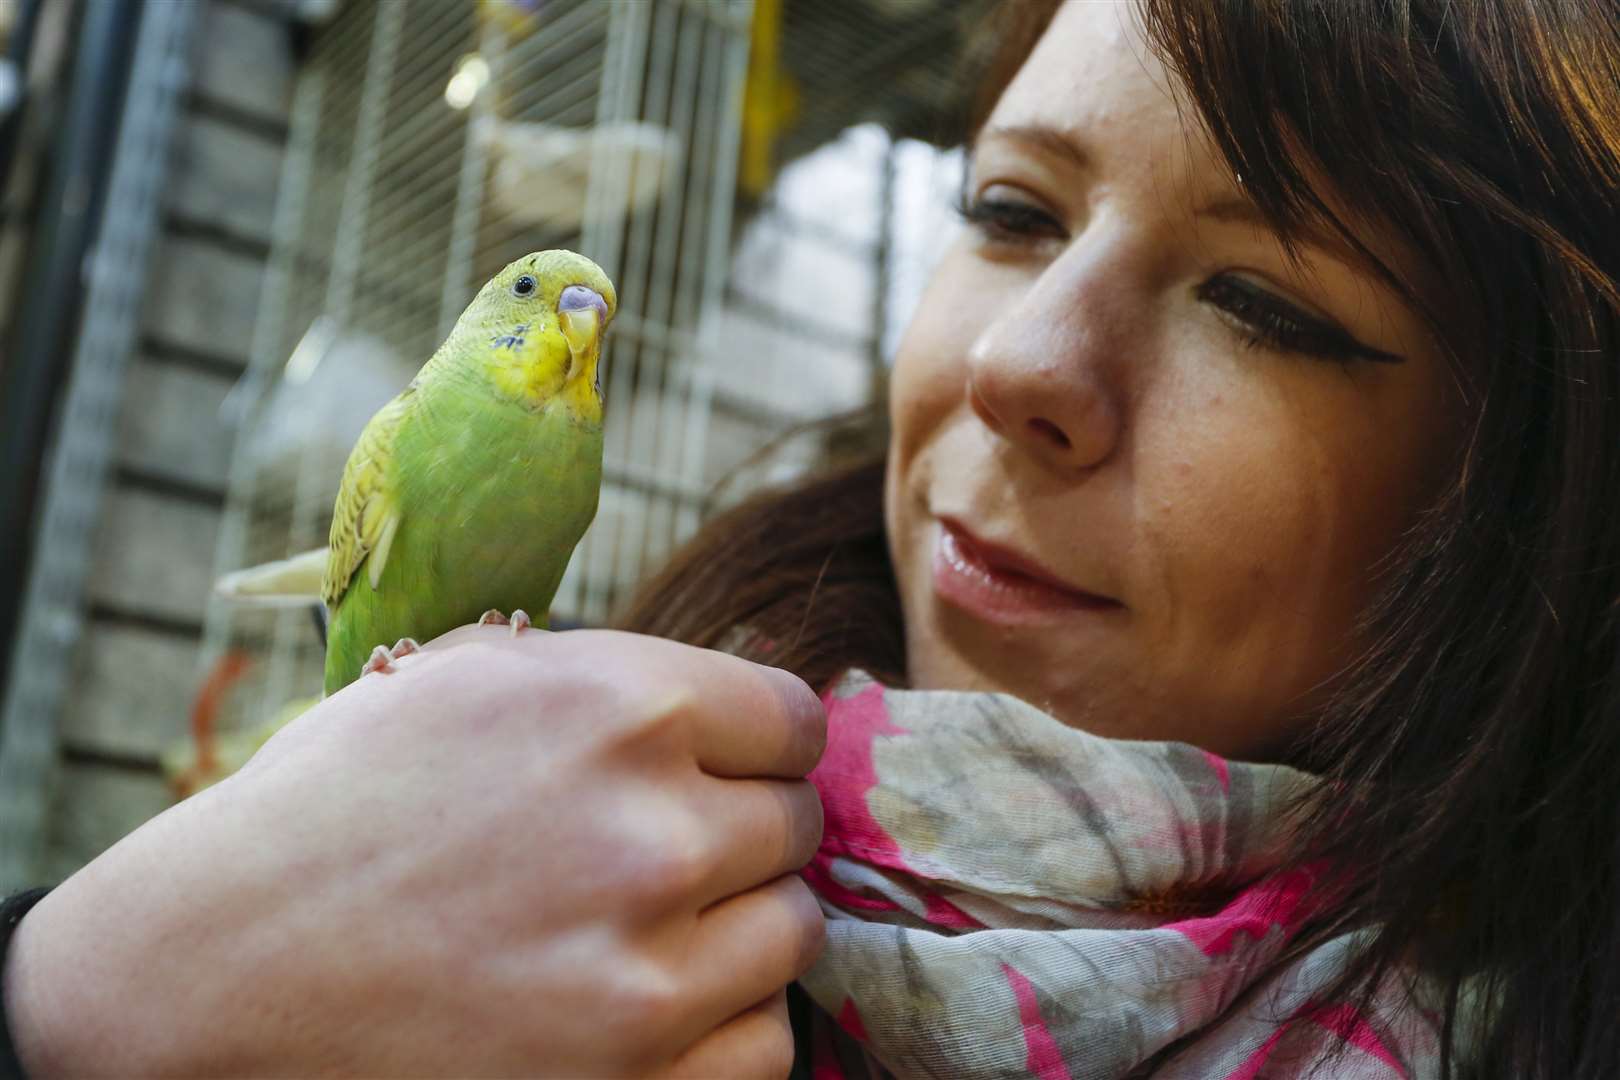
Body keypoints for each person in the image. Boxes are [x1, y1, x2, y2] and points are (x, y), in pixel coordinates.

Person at [4, 0, 1617, 1075]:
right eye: (1010, 212)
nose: (1015, 364)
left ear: (1531, 496)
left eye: (1262, 301)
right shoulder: (616, 753)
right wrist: (77, 1003)